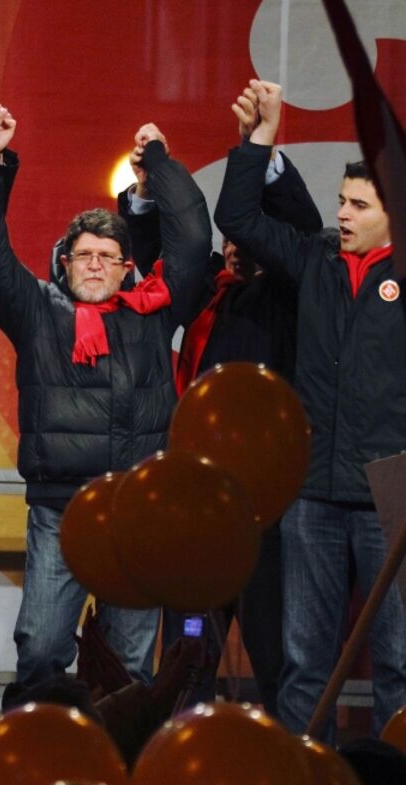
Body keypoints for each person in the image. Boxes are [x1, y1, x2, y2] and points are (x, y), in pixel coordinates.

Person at [0, 104, 213, 687]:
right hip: (61, 511)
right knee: (42, 651)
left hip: (138, 512)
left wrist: (160, 167)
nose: (95, 265)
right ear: (64, 263)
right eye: (84, 255)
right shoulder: (38, 312)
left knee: (129, 670)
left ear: (127, 269)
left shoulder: (153, 311)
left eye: (108, 257)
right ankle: (36, 745)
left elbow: (195, 240)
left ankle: (120, 750)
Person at [214, 78, 406, 739]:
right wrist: (260, 141)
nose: (342, 213)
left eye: (358, 204)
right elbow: (238, 220)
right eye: (341, 201)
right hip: (313, 491)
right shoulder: (317, 258)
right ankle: (308, 777)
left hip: (392, 492)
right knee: (304, 665)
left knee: (400, 664)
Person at [130, 98, 322, 716]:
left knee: (275, 661)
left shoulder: (294, 296)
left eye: (249, 237)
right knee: (186, 659)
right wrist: (145, 193)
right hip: (198, 513)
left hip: (269, 518)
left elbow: (301, 223)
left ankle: (284, 758)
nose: (236, 247)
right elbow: (160, 258)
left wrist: (263, 152)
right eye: (230, 239)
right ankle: (176, 751)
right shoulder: (209, 288)